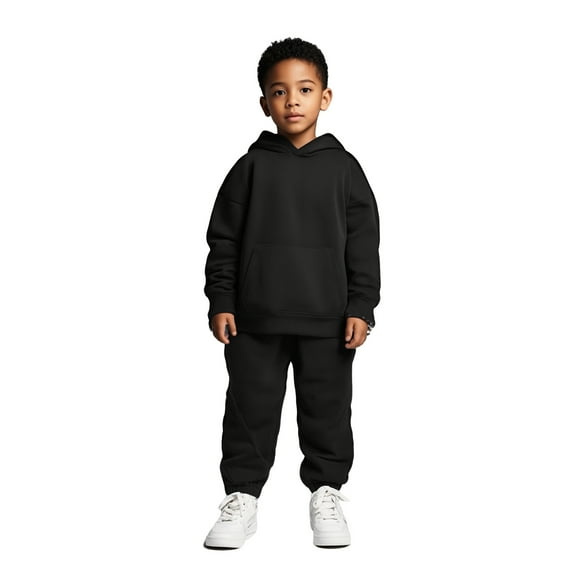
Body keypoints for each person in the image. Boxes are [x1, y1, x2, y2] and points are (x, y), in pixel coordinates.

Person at [203, 37, 380, 549]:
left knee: (328, 411)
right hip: (255, 319)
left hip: (328, 320)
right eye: (279, 92)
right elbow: (223, 241)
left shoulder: (344, 170)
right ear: (265, 103)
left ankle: (327, 493)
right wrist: (222, 301)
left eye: (304, 89)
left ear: (325, 97)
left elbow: (363, 244)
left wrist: (361, 307)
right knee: (248, 411)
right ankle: (242, 498)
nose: (292, 101)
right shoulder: (249, 168)